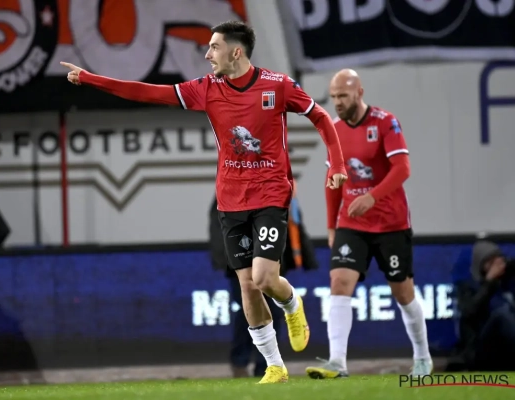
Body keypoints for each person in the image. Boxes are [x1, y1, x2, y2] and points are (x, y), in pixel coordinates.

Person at [61, 20, 347, 384]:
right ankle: (275, 365)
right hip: (230, 200)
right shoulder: (206, 89)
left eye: (214, 47)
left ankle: (292, 303)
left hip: (270, 193)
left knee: (264, 277)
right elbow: (147, 92)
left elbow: (320, 116)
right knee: (247, 286)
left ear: (236, 52)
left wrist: (337, 164)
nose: (208, 54)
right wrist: (91, 79)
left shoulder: (278, 85)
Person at [305, 69, 432, 379]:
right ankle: (337, 362)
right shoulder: (334, 131)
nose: (337, 102)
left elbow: (402, 168)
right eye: (333, 97)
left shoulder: (385, 122)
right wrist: (332, 225)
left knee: (403, 292)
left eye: (343, 96)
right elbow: (333, 180)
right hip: (352, 223)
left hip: (390, 223)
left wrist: (372, 197)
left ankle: (423, 357)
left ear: (359, 92)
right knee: (339, 282)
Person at [209, 182, 318, 378]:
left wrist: (305, 256)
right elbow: (219, 229)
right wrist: (228, 260)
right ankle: (242, 362)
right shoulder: (228, 189)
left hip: (270, 256)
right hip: (238, 263)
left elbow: (294, 225)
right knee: (247, 304)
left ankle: (265, 365)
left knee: (272, 307)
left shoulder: (277, 189)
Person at [452, 240, 515, 371]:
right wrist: (489, 281)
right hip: (480, 350)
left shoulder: (506, 283)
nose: (496, 266)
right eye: (490, 262)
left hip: (506, 350)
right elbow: (469, 311)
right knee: (501, 315)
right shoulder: (467, 287)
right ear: (481, 264)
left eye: (498, 260)